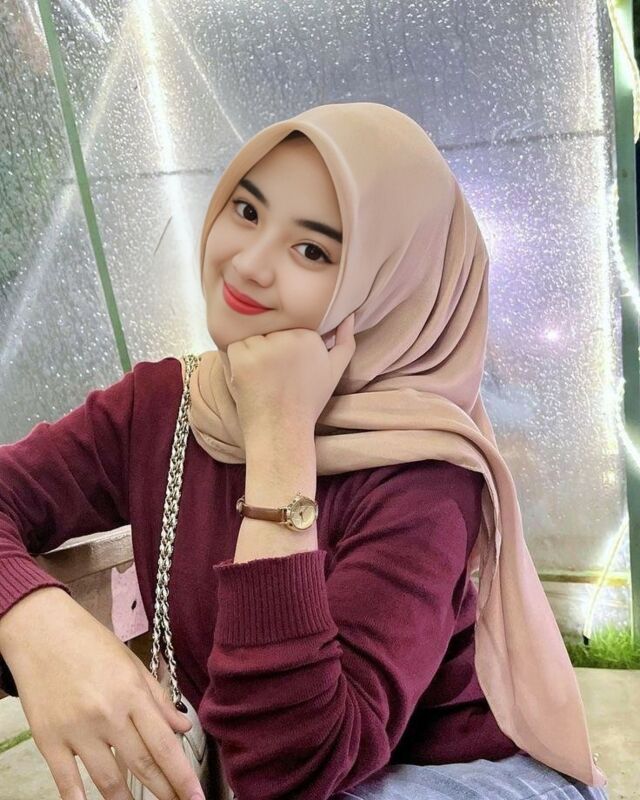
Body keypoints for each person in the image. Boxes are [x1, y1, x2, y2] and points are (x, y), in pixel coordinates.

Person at [0, 102, 608, 800]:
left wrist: (280, 435)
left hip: (460, 775)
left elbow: (292, 767)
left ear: (388, 285)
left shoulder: (426, 475)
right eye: (247, 211)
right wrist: (35, 621)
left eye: (313, 250)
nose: (249, 263)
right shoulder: (167, 405)